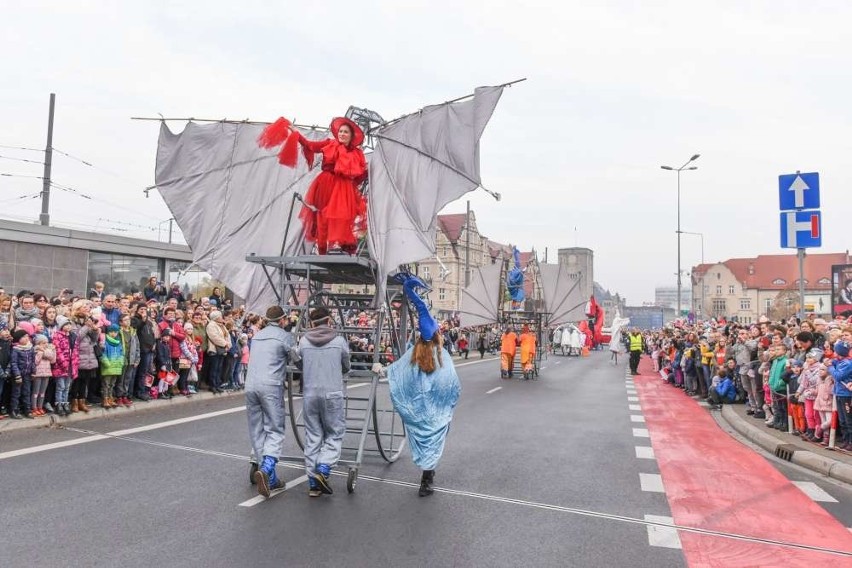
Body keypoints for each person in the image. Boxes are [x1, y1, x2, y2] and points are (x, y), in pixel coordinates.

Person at [377, 274, 461, 497]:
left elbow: (397, 372)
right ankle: (427, 476)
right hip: (435, 413)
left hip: (417, 412)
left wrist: (381, 370)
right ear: (436, 336)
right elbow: (452, 385)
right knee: (433, 441)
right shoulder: (442, 356)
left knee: (421, 439)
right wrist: (447, 404)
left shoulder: (412, 354)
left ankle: (427, 474)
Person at [258, 116, 368, 255]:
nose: (342, 134)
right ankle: (322, 249)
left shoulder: (356, 153)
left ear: (351, 136)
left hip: (343, 188)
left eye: (346, 132)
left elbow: (359, 174)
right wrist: (295, 132)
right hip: (325, 184)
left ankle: (342, 247)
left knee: (342, 218)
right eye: (340, 131)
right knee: (321, 216)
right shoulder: (329, 143)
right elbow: (310, 145)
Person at [293, 306, 350, 497]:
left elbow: (298, 362)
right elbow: (346, 365)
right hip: (332, 393)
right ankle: (324, 469)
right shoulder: (339, 341)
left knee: (313, 436)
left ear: (311, 322)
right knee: (334, 433)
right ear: (329, 321)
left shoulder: (304, 341)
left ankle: (313, 483)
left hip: (310, 393)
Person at [245, 305, 296, 498]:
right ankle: (266, 470)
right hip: (271, 386)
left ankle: (271, 479)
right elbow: (297, 358)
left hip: (250, 385)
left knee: (257, 430)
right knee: (275, 429)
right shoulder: (284, 336)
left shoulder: (257, 335)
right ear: (282, 320)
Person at [99, 324, 124, 409]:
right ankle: (105, 399)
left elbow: (121, 353)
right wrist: (107, 363)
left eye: (115, 332)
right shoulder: (105, 342)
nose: (114, 334)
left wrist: (121, 361)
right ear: (108, 332)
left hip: (116, 366)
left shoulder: (118, 342)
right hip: (108, 367)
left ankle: (110, 398)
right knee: (106, 384)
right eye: (112, 332)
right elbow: (102, 354)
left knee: (112, 384)